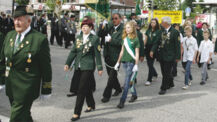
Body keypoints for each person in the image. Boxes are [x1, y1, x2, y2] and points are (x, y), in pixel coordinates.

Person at [0, 6, 52, 122]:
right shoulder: (10, 36)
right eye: (15, 19)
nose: (16, 22)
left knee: (15, 116)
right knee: (23, 116)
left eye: (20, 19)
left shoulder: (39, 39)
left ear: (28, 21)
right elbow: (3, 60)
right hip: (11, 85)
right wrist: (2, 80)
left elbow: (46, 67)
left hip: (27, 87)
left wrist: (46, 89)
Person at [64, 19, 103, 121]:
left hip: (88, 66)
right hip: (78, 66)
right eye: (83, 26)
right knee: (86, 87)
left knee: (81, 89)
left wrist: (99, 67)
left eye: (87, 26)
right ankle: (91, 104)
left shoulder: (94, 39)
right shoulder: (78, 38)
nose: (84, 28)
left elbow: (97, 54)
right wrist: (67, 63)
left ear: (91, 28)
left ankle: (76, 113)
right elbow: (73, 52)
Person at [151, 16, 181, 95]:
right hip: (162, 55)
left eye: (162, 22)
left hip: (170, 56)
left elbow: (177, 45)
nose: (160, 23)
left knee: (166, 72)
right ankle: (171, 83)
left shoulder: (175, 32)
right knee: (164, 72)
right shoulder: (161, 31)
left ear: (166, 23)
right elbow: (157, 42)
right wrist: (152, 50)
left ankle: (163, 88)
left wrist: (178, 56)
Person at [114, 21, 140, 109]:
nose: (127, 29)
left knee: (126, 82)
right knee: (129, 80)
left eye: (129, 27)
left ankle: (122, 101)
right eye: (126, 27)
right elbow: (122, 51)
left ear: (133, 28)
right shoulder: (124, 38)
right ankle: (134, 94)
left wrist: (136, 64)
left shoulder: (135, 39)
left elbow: (137, 53)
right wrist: (118, 62)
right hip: (124, 62)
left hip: (131, 62)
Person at [100, 13, 123, 103]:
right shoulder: (109, 27)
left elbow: (122, 43)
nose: (114, 20)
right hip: (107, 55)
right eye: (112, 19)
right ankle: (118, 88)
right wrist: (104, 25)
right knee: (111, 75)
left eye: (116, 18)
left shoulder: (123, 29)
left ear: (120, 19)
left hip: (117, 57)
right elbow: (100, 34)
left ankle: (106, 95)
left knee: (111, 77)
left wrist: (111, 40)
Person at [143, 18, 160, 86]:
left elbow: (156, 42)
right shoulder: (148, 30)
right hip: (147, 48)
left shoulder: (158, 31)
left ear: (156, 24)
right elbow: (145, 40)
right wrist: (143, 47)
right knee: (149, 64)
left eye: (154, 23)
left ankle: (149, 79)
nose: (152, 24)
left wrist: (152, 51)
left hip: (154, 48)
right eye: (151, 22)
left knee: (150, 64)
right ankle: (155, 74)